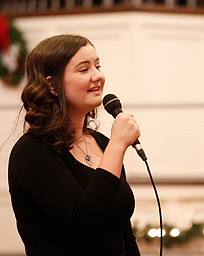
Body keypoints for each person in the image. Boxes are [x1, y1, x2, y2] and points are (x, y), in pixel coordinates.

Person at [8, 34, 141, 256]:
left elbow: (123, 232)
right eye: (84, 69)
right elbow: (85, 222)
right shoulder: (32, 150)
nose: (98, 76)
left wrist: (113, 146)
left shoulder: (101, 143)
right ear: (52, 85)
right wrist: (118, 146)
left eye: (98, 66)